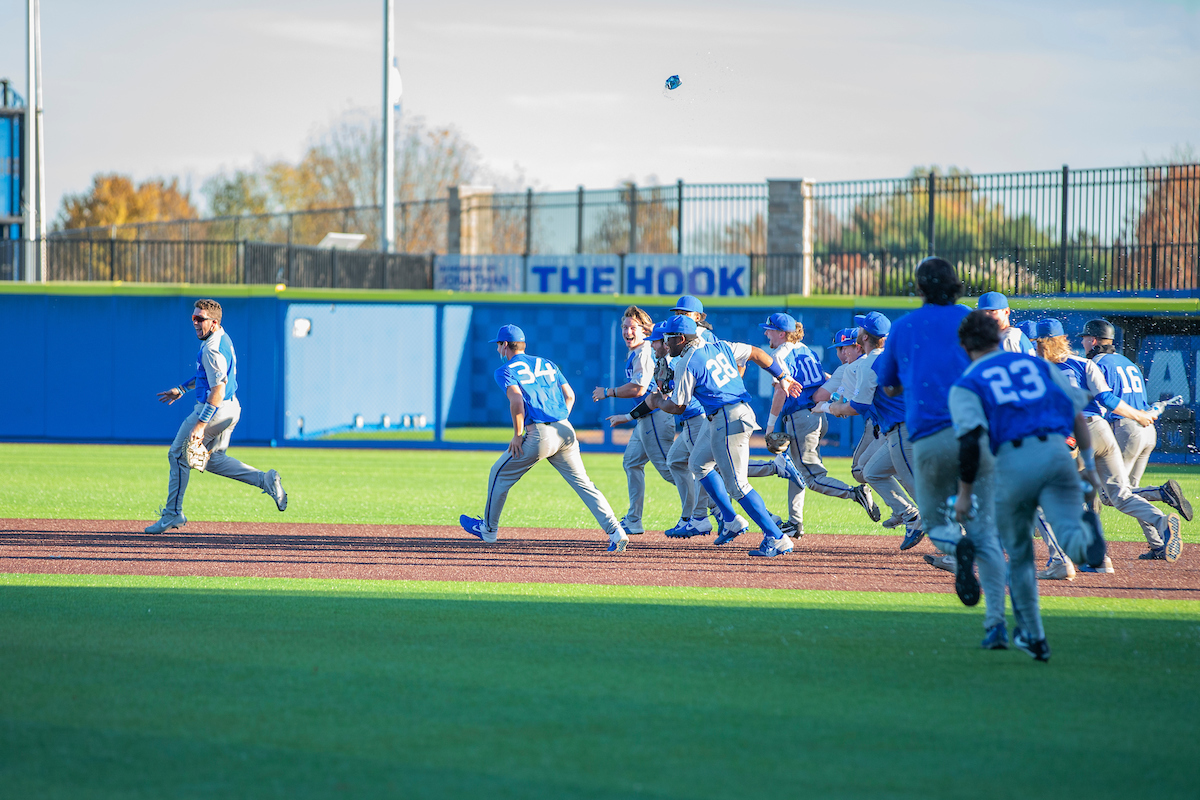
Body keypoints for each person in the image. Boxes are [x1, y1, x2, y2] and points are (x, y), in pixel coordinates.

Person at [950, 310, 1105, 661]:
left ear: (964, 344)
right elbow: (1076, 414)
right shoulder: (1037, 365)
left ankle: (1034, 635)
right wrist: (1090, 465)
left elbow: (971, 442)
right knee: (1065, 527)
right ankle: (1081, 539)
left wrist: (963, 493)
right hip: (1057, 451)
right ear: (997, 337)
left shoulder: (970, 380)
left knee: (1019, 555)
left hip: (1015, 461)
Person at [874, 258, 1010, 645]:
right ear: (956, 286)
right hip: (977, 433)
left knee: (936, 523)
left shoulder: (902, 327)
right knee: (986, 532)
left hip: (930, 436)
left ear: (919, 289)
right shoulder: (974, 322)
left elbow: (888, 386)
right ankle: (996, 626)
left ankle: (955, 547)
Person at [460, 325, 628, 553]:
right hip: (565, 430)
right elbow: (570, 395)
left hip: (539, 434)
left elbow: (517, 402)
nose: (498, 348)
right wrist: (559, 422)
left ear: (505, 345)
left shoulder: (505, 370)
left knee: (498, 474)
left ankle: (488, 530)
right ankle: (616, 532)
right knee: (585, 485)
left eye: (499, 344)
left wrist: (518, 435)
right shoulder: (546, 362)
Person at [648, 315, 802, 557]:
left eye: (668, 338)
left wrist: (656, 400)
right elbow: (756, 353)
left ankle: (777, 537)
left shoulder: (686, 362)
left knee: (738, 486)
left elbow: (678, 406)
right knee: (698, 464)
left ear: (681, 338)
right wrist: (781, 376)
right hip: (728, 415)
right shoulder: (720, 346)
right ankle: (731, 520)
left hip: (727, 419)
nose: (665, 343)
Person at [1037, 318, 1183, 563]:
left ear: (1039, 343)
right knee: (1121, 495)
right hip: (1103, 431)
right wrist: (1139, 414)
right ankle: (1162, 522)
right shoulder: (1085, 363)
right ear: (1064, 340)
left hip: (1075, 435)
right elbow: (1106, 398)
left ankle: (1079, 556)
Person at [146, 299, 287, 533]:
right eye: (193, 318)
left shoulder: (211, 348)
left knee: (178, 456)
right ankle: (265, 480)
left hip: (214, 409)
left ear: (213, 322)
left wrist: (201, 424)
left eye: (200, 319)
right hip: (232, 408)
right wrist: (182, 389)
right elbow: (208, 376)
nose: (195, 323)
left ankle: (172, 514)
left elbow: (218, 388)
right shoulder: (221, 337)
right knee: (214, 460)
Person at [764, 313, 878, 535]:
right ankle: (795, 522)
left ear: (781, 333)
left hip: (801, 417)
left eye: (768, 329)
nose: (765, 333)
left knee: (813, 478)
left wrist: (769, 427)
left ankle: (855, 493)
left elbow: (780, 389)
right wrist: (834, 402)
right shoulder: (804, 349)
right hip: (815, 416)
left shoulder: (779, 354)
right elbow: (824, 378)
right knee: (797, 470)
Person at [1080, 318, 1192, 523]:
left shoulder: (1095, 364)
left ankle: (1162, 492)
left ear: (1094, 340)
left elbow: (1098, 404)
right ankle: (1159, 543)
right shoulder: (1127, 362)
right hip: (1147, 429)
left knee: (1111, 495)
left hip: (1125, 429)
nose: (1083, 343)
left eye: (1085, 339)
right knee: (1131, 493)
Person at [828, 312, 923, 547]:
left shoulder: (870, 363)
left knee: (920, 488)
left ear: (865, 337)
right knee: (872, 471)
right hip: (902, 428)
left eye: (861, 328)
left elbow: (859, 406)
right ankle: (910, 515)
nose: (857, 331)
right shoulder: (891, 357)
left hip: (902, 429)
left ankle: (959, 541)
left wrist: (834, 407)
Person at [593, 306, 676, 536]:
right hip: (645, 417)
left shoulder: (644, 351)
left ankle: (715, 508)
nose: (627, 331)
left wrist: (608, 392)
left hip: (656, 417)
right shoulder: (638, 350)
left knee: (671, 470)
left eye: (632, 327)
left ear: (644, 330)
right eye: (624, 327)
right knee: (631, 462)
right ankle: (634, 520)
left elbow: (639, 389)